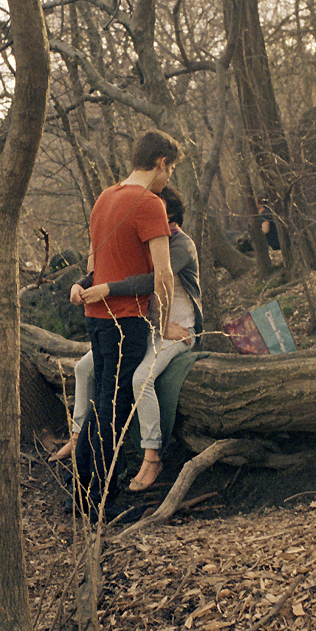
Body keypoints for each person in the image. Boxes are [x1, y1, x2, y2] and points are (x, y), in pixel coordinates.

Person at [51, 185, 203, 491]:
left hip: (178, 326)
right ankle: (79, 436)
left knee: (139, 380)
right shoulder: (143, 241)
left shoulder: (181, 245)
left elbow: (154, 281)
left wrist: (111, 292)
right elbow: (112, 270)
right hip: (147, 324)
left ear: (170, 217)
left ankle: (151, 454)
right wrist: (81, 283)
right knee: (83, 368)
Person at [69, 129, 179, 514]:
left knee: (101, 405)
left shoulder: (104, 197)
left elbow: (92, 265)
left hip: (96, 320)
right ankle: (100, 502)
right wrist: (164, 324)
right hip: (124, 321)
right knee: (113, 411)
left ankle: (81, 496)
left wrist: (82, 285)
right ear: (161, 163)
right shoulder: (150, 203)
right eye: (172, 170)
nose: (169, 180)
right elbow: (163, 274)